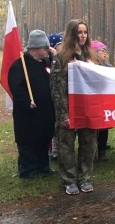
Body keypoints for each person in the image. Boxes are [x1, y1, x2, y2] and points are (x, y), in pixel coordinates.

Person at [50, 19, 98, 195]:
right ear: (72, 34)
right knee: (66, 146)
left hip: (87, 109)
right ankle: (69, 179)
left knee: (88, 144)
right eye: (79, 32)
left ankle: (85, 177)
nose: (83, 36)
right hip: (68, 107)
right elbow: (57, 88)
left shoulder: (91, 56)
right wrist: (63, 114)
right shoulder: (61, 56)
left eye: (85, 32)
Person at [8, 30, 56, 179]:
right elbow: (17, 89)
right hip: (28, 114)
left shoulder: (45, 63)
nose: (48, 50)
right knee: (29, 141)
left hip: (45, 112)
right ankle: (28, 170)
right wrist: (27, 103)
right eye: (45, 48)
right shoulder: (19, 66)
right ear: (35, 49)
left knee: (43, 138)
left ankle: (43, 165)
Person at [91, 41, 113, 161]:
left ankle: (102, 151)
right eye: (102, 51)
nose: (104, 53)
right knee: (94, 128)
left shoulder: (108, 66)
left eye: (105, 51)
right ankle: (92, 152)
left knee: (104, 128)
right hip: (94, 100)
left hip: (105, 100)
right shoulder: (89, 65)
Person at [47, 33, 63, 161]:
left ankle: (57, 150)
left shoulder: (64, 58)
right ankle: (52, 150)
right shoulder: (48, 60)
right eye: (59, 45)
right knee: (52, 125)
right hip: (50, 98)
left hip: (61, 97)